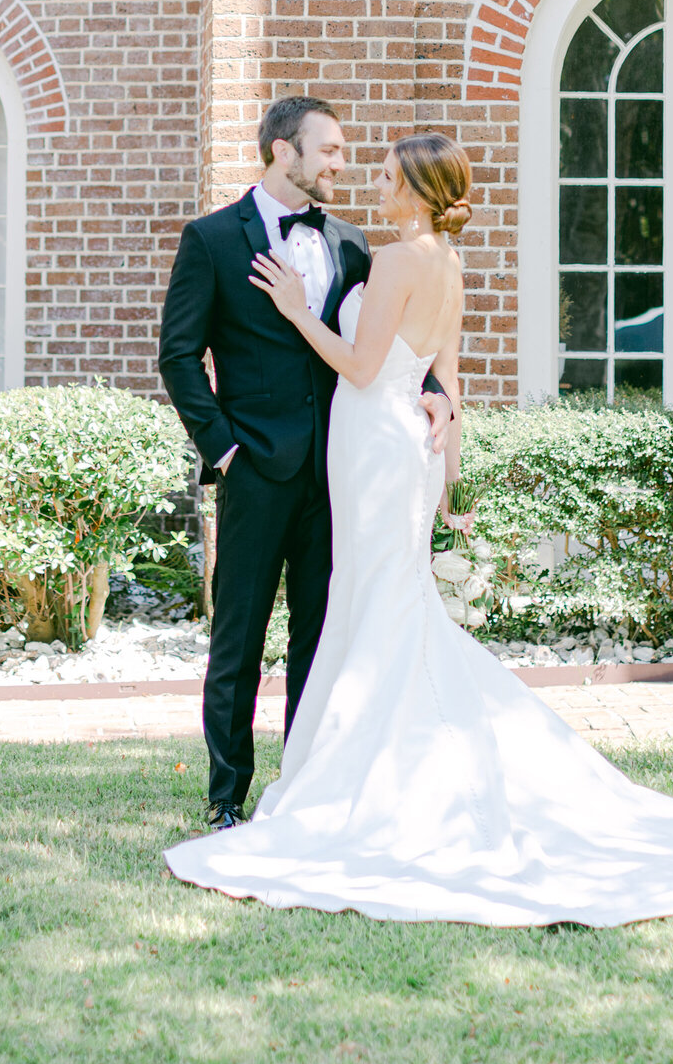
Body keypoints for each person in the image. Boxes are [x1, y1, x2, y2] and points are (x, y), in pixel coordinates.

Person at [164, 131, 673, 929]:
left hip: (366, 448)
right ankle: (272, 782)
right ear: (284, 149)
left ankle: (347, 776)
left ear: (415, 190)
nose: (366, 181)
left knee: (360, 607)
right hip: (377, 451)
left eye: (382, 175)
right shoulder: (444, 262)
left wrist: (290, 306)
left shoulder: (380, 255)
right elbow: (445, 377)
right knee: (365, 605)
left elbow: (359, 363)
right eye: (346, 156)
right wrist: (449, 460)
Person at [158, 96, 454, 829]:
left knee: (322, 640)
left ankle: (306, 786)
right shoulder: (212, 239)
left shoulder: (354, 243)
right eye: (328, 151)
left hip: (343, 477)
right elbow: (178, 355)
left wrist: (440, 394)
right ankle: (227, 795)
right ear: (282, 153)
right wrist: (223, 450)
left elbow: (396, 346)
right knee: (240, 637)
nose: (340, 164)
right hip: (255, 471)